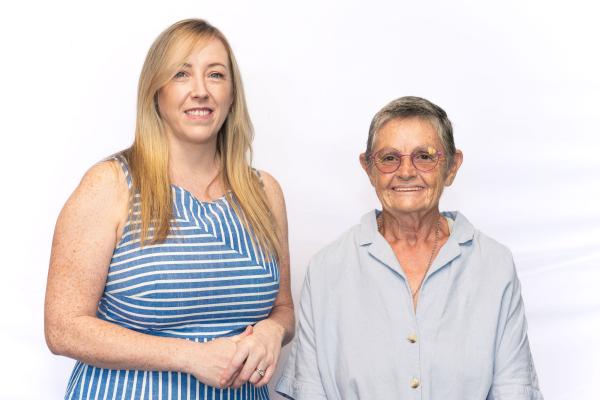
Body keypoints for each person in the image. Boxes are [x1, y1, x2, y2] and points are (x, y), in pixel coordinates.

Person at [44, 19, 294, 399]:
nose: (200, 91)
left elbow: (283, 309)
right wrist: (190, 357)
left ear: (231, 94)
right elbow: (63, 328)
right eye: (181, 74)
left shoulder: (263, 193)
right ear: (155, 91)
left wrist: (273, 331)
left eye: (215, 75)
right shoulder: (110, 186)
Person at [276, 96, 543, 399]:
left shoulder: (494, 266)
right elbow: (310, 390)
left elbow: (514, 389)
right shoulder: (327, 269)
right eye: (389, 158)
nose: (405, 171)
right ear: (369, 168)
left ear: (452, 167)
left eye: (425, 156)